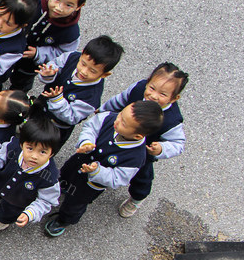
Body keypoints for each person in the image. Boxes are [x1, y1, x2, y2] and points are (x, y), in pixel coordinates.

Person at [43, 100, 163, 237]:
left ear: (137, 136)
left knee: (75, 203)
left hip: (90, 185)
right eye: (121, 114)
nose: (117, 120)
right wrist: (87, 141)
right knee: (62, 177)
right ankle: (60, 188)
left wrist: (97, 171)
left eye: (123, 123)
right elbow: (91, 127)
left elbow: (117, 179)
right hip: (76, 164)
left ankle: (64, 220)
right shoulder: (108, 118)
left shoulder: (136, 158)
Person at [98, 62, 187, 219]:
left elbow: (178, 144)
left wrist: (161, 149)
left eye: (163, 94)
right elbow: (120, 100)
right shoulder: (138, 89)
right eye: (152, 88)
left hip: (141, 153)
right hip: (118, 134)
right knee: (102, 154)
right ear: (147, 82)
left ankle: (137, 198)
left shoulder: (171, 120)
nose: (153, 96)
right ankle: (100, 175)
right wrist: (104, 110)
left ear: (174, 98)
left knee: (142, 178)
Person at [0, 110, 61, 237]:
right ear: (22, 144)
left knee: (8, 213)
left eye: (42, 152)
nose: (34, 156)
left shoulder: (50, 177)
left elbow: (46, 201)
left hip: (18, 200)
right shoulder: (13, 147)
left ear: (52, 153)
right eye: (30, 148)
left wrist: (30, 213)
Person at [6, 0, 88, 93]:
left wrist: (39, 53)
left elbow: (63, 54)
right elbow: (9, 9)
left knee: (21, 82)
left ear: (79, 6)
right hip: (9, 45)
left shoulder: (71, 33)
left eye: (68, 5)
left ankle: (14, 96)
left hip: (30, 62)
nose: (59, 8)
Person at [35, 34, 122, 150]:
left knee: (40, 150)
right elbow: (54, 66)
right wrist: (48, 74)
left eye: (92, 71)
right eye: (83, 64)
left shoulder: (92, 98)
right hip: (39, 108)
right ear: (82, 53)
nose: (84, 71)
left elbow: (72, 117)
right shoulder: (71, 57)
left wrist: (57, 99)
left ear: (105, 75)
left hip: (54, 128)